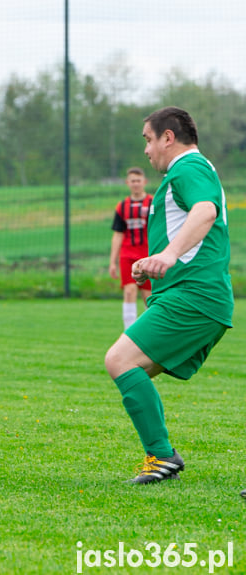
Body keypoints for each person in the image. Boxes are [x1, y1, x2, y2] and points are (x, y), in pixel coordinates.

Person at [104, 106, 232, 485]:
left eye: (148, 139)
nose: (146, 150)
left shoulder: (188, 168)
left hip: (194, 297)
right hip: (189, 294)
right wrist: (154, 262)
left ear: (168, 138)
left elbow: (205, 211)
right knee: (133, 368)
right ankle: (161, 456)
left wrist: (169, 255)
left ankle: (162, 457)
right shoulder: (190, 171)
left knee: (120, 360)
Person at [108, 167, 153, 329]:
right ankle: (129, 332)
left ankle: (153, 331)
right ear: (127, 183)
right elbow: (118, 234)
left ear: (144, 182)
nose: (135, 184)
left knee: (148, 295)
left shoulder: (153, 203)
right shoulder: (122, 207)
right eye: (132, 181)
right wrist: (112, 262)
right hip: (127, 254)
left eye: (138, 181)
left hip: (148, 254)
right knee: (129, 291)